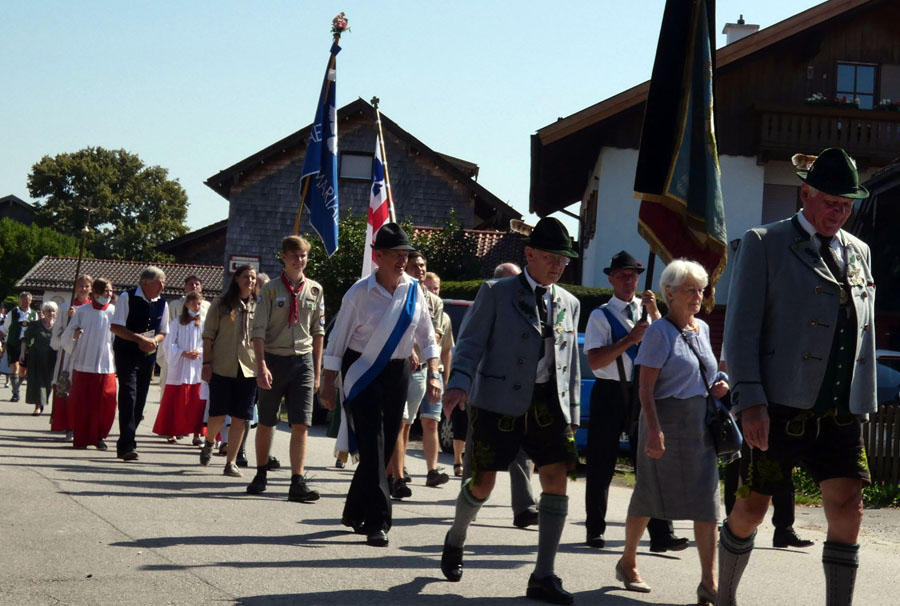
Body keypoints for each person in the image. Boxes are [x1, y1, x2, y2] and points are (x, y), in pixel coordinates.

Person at [718, 147, 875, 606]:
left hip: (841, 411)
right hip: (779, 408)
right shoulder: (764, 242)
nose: (839, 212)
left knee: (849, 509)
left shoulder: (859, 252)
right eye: (830, 202)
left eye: (847, 205)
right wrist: (749, 401)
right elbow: (741, 329)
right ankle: (724, 596)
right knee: (752, 508)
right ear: (805, 194)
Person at [440, 217, 581, 605]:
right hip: (497, 403)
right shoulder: (496, 292)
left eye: (563, 260)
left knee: (556, 479)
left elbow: (571, 365)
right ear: (530, 254)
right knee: (482, 483)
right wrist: (458, 383)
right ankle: (456, 538)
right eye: (551, 257)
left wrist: (572, 411)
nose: (557, 265)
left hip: (548, 405)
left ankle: (544, 574)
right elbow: (470, 344)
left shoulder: (570, 303)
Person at [320, 223, 441, 548]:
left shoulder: (415, 291)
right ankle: (379, 521)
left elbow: (427, 335)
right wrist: (328, 382)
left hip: (399, 370)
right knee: (373, 444)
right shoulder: (359, 293)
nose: (402, 261)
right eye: (396, 255)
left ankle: (353, 510)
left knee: (386, 446)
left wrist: (434, 372)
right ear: (379, 256)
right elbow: (338, 339)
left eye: (406, 254)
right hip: (363, 371)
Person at [583, 250, 688, 552]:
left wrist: (656, 313)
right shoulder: (601, 315)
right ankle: (595, 529)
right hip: (609, 393)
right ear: (611, 279)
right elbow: (595, 360)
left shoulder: (650, 315)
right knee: (601, 463)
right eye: (622, 276)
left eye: (633, 275)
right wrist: (630, 340)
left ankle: (661, 533)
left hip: (641, 393)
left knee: (651, 463)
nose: (629, 281)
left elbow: (672, 345)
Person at [246, 236, 324, 502]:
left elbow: (318, 331)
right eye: (294, 256)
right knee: (267, 421)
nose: (299, 260)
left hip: (302, 363)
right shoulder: (269, 290)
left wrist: (318, 370)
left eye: (303, 256)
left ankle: (297, 481)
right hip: (273, 359)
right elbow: (257, 331)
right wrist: (261, 366)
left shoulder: (315, 290)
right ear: (284, 257)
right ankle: (260, 473)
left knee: (301, 423)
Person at [387, 251, 447, 497]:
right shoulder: (395, 294)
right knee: (398, 422)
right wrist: (408, 347)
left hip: (422, 370)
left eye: (423, 265)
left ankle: (394, 470)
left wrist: (434, 371)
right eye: (415, 265)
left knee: (407, 425)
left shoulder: (434, 301)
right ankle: (397, 477)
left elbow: (436, 335)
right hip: (398, 368)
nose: (420, 269)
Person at [201, 265, 258, 478]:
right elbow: (208, 335)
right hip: (222, 366)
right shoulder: (221, 304)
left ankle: (231, 461)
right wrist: (206, 363)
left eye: (253, 278)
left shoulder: (260, 306)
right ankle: (209, 442)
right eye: (246, 277)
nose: (250, 281)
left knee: (241, 417)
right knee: (218, 414)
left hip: (249, 368)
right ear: (236, 279)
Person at [110, 267, 169, 461]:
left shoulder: (162, 303)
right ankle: (126, 444)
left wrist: (154, 341)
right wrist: (138, 339)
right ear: (145, 283)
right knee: (128, 394)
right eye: (159, 282)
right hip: (126, 353)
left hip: (148, 355)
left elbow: (163, 331)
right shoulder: (127, 298)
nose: (163, 286)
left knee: (141, 398)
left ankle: (129, 437)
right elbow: (116, 326)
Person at [61, 278, 117, 451]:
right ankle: (82, 437)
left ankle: (100, 436)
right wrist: (75, 335)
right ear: (97, 292)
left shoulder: (114, 312)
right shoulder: (82, 311)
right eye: (105, 291)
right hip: (84, 362)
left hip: (106, 363)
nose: (108, 294)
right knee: (84, 402)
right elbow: (67, 336)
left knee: (106, 401)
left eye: (110, 291)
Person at [158, 275, 210, 447]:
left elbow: (208, 342)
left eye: (199, 304)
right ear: (187, 304)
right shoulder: (177, 323)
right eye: (195, 304)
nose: (198, 307)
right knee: (176, 400)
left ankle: (197, 434)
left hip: (197, 366)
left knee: (197, 400)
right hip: (180, 366)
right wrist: (182, 353)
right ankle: (172, 432)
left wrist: (199, 352)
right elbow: (168, 344)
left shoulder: (203, 323)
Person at [49, 275, 93, 440]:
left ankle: (82, 425)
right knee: (67, 387)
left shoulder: (93, 308)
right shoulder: (67, 307)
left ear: (91, 289)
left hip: (86, 353)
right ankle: (68, 425)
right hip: (67, 354)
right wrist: (70, 323)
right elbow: (57, 334)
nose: (83, 289)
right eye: (80, 286)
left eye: (86, 286)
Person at [21, 302, 58, 416]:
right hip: (36, 357)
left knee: (49, 383)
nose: (50, 313)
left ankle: (43, 402)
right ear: (43, 312)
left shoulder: (58, 326)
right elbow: (25, 339)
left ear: (56, 313)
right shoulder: (35, 325)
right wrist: (22, 353)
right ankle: (38, 405)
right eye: (48, 311)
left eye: (53, 311)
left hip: (52, 358)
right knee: (38, 382)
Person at [1, 292, 37, 402]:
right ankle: (16, 393)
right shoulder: (13, 312)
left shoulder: (33, 314)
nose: (25, 302)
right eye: (23, 300)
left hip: (27, 344)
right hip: (14, 343)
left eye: (27, 300)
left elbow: (35, 329)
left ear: (31, 301)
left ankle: (16, 387)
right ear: (19, 301)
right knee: (15, 367)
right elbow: (5, 328)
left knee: (23, 371)